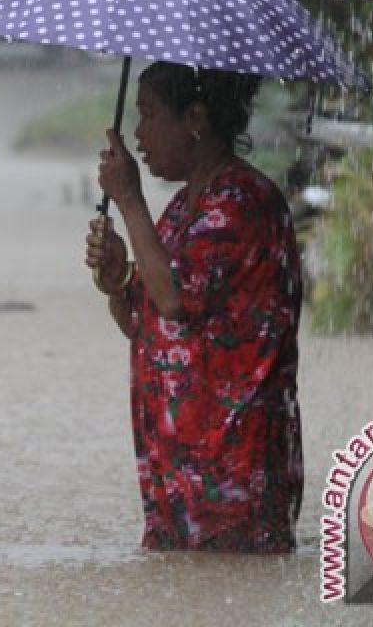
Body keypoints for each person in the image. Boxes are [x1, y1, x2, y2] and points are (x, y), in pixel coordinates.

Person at [85, 61, 303, 553]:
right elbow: (143, 322)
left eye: (150, 114)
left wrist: (128, 199)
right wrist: (117, 278)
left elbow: (175, 299)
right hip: (176, 469)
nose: (138, 134)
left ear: (196, 120)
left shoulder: (241, 203)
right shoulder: (185, 208)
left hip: (232, 466)